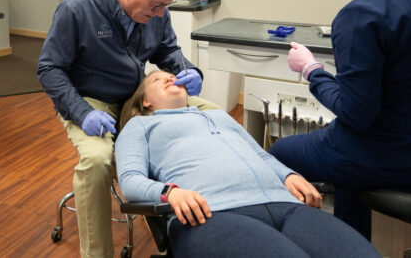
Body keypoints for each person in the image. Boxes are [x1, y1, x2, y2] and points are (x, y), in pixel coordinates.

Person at [37, 0, 218, 257]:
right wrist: (82, 113)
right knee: (97, 160)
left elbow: (167, 50)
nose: (161, 14)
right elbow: (49, 68)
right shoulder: (79, 8)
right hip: (90, 100)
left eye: (165, 6)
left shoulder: (158, 8)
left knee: (212, 116)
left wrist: (187, 70)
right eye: (155, 7)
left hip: (135, 94)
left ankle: (204, 228)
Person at [116, 70, 381, 258]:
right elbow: (130, 180)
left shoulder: (217, 116)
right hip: (214, 214)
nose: (170, 78)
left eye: (172, 75)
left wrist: (288, 176)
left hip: (285, 205)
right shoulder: (140, 126)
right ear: (145, 101)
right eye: (157, 78)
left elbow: (261, 156)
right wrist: (170, 193)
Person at [270, 0, 411, 239]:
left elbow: (356, 114)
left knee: (277, 154)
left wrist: (312, 71)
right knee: (347, 171)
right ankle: (350, 242)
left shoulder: (361, 13)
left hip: (387, 153)